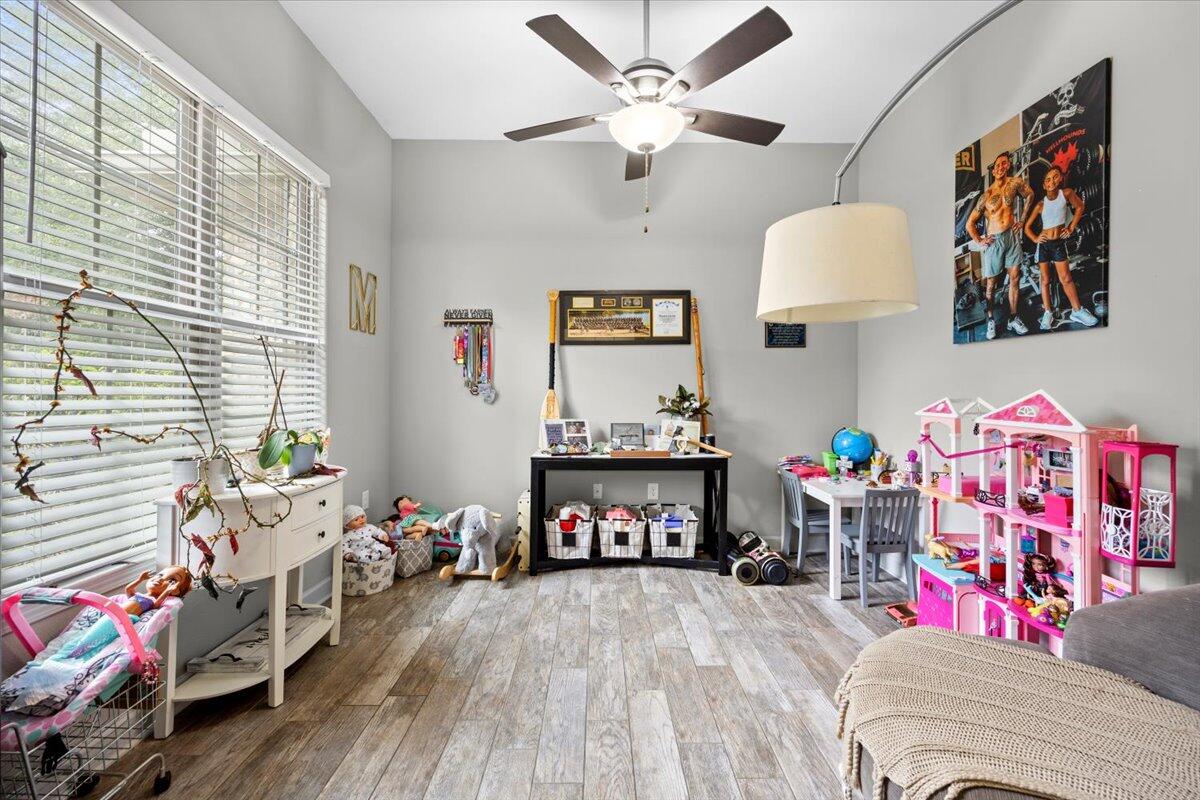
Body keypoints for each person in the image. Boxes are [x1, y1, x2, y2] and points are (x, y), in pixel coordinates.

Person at [966, 152, 1034, 339]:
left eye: (1004, 164)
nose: (1001, 167)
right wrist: (980, 241)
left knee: (1015, 278)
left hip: (1011, 238)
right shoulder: (986, 195)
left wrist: (1022, 219)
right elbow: (969, 223)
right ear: (993, 169)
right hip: (994, 241)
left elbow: (1030, 195)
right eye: (998, 164)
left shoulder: (1015, 183)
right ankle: (990, 321)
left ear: (1008, 167)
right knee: (991, 285)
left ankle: (1013, 318)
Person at [1023, 166, 1098, 330]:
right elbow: (1026, 227)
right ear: (1044, 185)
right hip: (1043, 245)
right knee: (1045, 280)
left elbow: (1080, 207)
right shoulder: (1040, 205)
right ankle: (1048, 312)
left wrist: (1071, 228)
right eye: (1048, 179)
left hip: (1058, 244)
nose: (1052, 181)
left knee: (1066, 279)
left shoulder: (1067, 194)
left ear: (1060, 179)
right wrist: (1036, 238)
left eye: (1055, 177)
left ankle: (1077, 311)